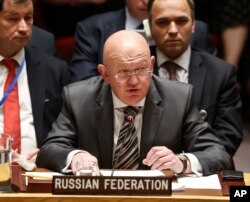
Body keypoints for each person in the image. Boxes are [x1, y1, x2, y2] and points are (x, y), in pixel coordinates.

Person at [36, 30, 233, 176]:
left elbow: (219, 154)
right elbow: (50, 148)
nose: (134, 81)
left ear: (152, 64)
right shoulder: (78, 98)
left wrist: (181, 162)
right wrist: (75, 156)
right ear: (104, 74)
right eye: (122, 72)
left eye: (141, 69)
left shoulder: (179, 98)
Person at [147, 0, 242, 156]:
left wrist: (187, 163)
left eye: (181, 21)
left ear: (193, 25)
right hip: (147, 170)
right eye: (162, 22)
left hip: (199, 172)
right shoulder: (135, 69)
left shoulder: (221, 73)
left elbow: (228, 136)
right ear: (150, 26)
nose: (172, 30)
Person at [70, 0, 215, 82]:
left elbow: (213, 82)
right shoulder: (92, 29)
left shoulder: (196, 30)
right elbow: (83, 85)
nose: (147, 2)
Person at [0, 0, 70, 161]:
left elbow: (70, 133)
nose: (24, 27)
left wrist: (49, 155)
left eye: (28, 18)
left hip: (37, 171)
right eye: (13, 19)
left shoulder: (55, 70)